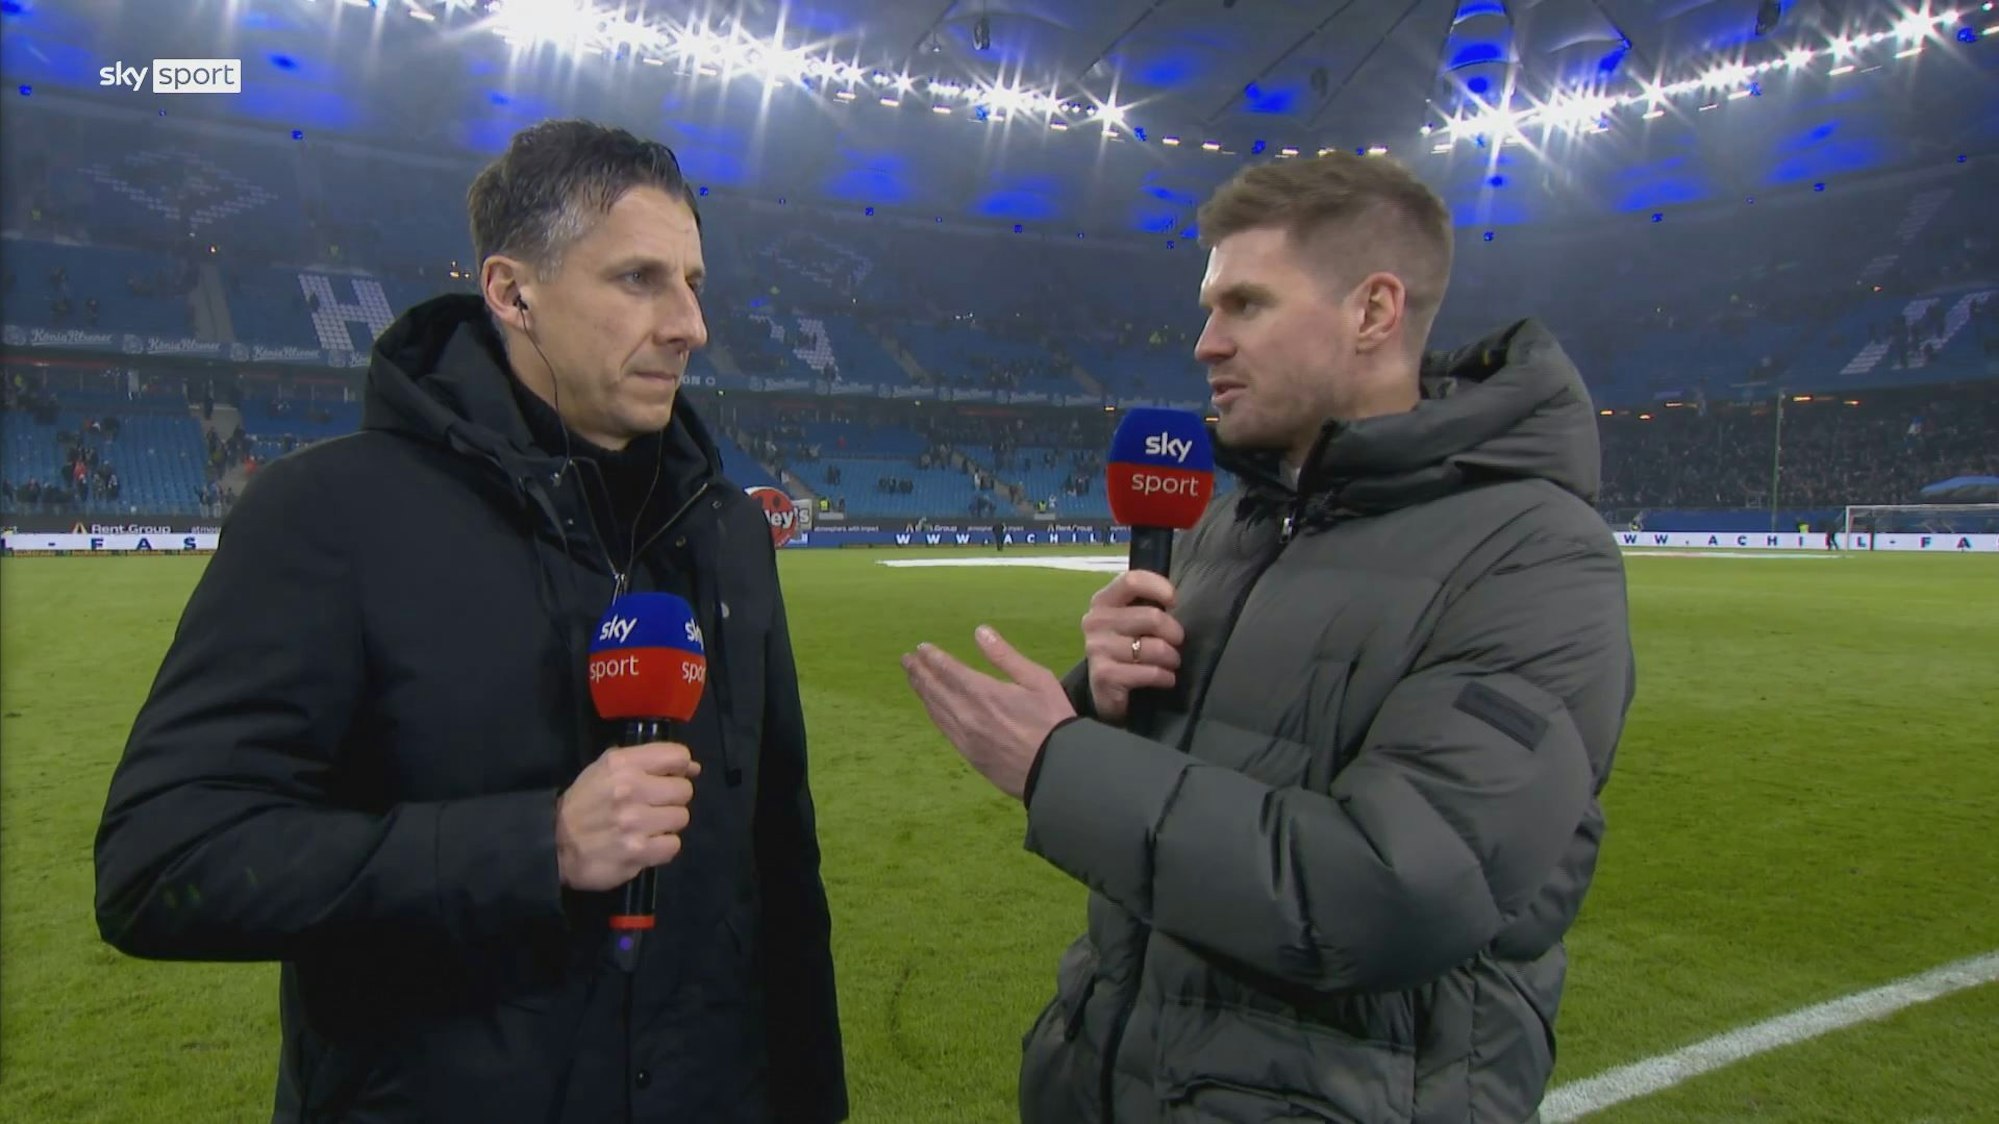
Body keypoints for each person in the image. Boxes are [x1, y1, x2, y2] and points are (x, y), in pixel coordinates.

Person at [94, 120, 847, 1124]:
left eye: (693, 282)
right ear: (511, 291)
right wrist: (535, 844)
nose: (687, 325)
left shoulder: (725, 532)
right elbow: (162, 862)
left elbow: (781, 870)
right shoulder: (332, 516)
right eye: (637, 279)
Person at [903, 151, 1633, 1123]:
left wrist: (1057, 762)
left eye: (1245, 305)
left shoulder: (1536, 556)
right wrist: (1106, 699)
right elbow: (1196, 800)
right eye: (1209, 306)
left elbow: (1393, 890)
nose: (1205, 342)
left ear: (1372, 312)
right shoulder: (1233, 522)